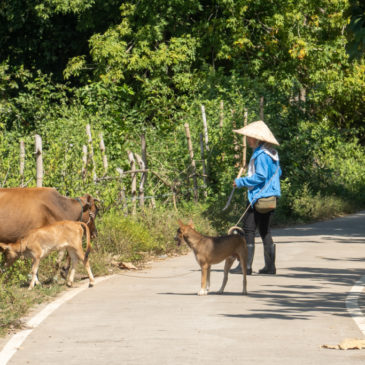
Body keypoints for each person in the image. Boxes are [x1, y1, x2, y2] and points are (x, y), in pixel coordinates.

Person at [230, 120, 281, 275]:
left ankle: (246, 267)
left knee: (248, 229)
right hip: (270, 197)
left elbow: (260, 176)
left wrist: (240, 181)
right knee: (265, 231)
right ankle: (270, 267)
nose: (248, 139)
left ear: (257, 139)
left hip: (258, 197)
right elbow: (278, 174)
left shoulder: (261, 155)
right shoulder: (271, 153)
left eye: (250, 137)